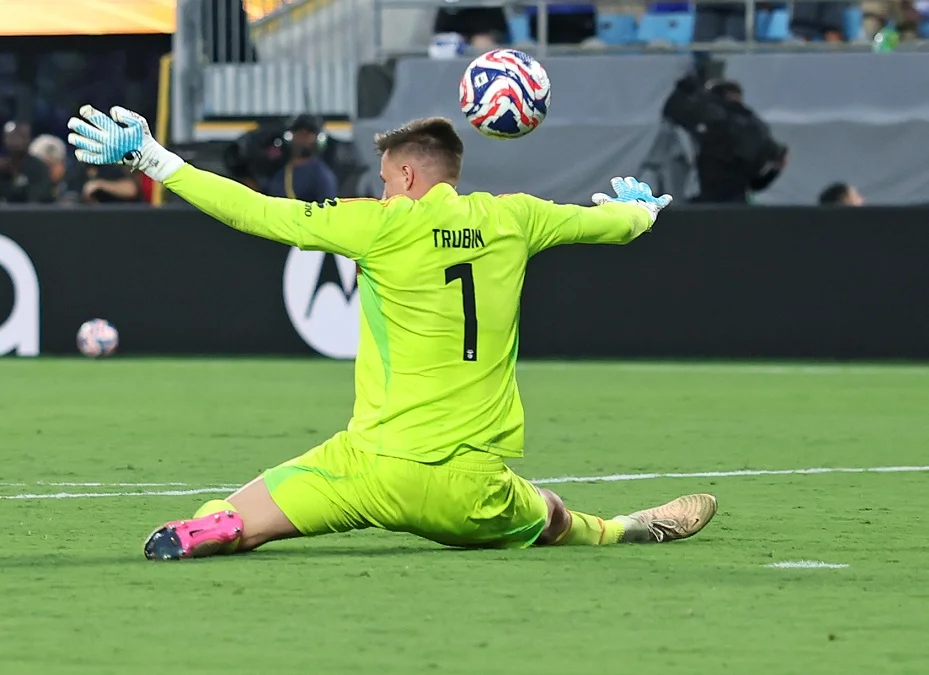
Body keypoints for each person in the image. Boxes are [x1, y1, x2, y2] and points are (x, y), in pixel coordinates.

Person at [68, 106, 718, 561]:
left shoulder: (380, 226)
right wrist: (636, 208)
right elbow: (618, 226)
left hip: (362, 467)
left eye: (383, 181)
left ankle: (216, 528)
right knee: (547, 515)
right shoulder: (516, 217)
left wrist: (153, 158)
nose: (380, 192)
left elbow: (256, 212)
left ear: (407, 176)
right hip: (464, 485)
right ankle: (622, 529)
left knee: (234, 514)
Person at [264, 114, 337, 203]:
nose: (303, 137)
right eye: (299, 132)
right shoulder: (279, 171)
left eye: (309, 133)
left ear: (318, 140)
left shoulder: (322, 175)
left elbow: (327, 210)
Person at [0, 121, 53, 204]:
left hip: (30, 215)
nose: (15, 140)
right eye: (11, 136)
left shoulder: (38, 167)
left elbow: (37, 201)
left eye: (20, 136)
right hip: (2, 215)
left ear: (28, 138)